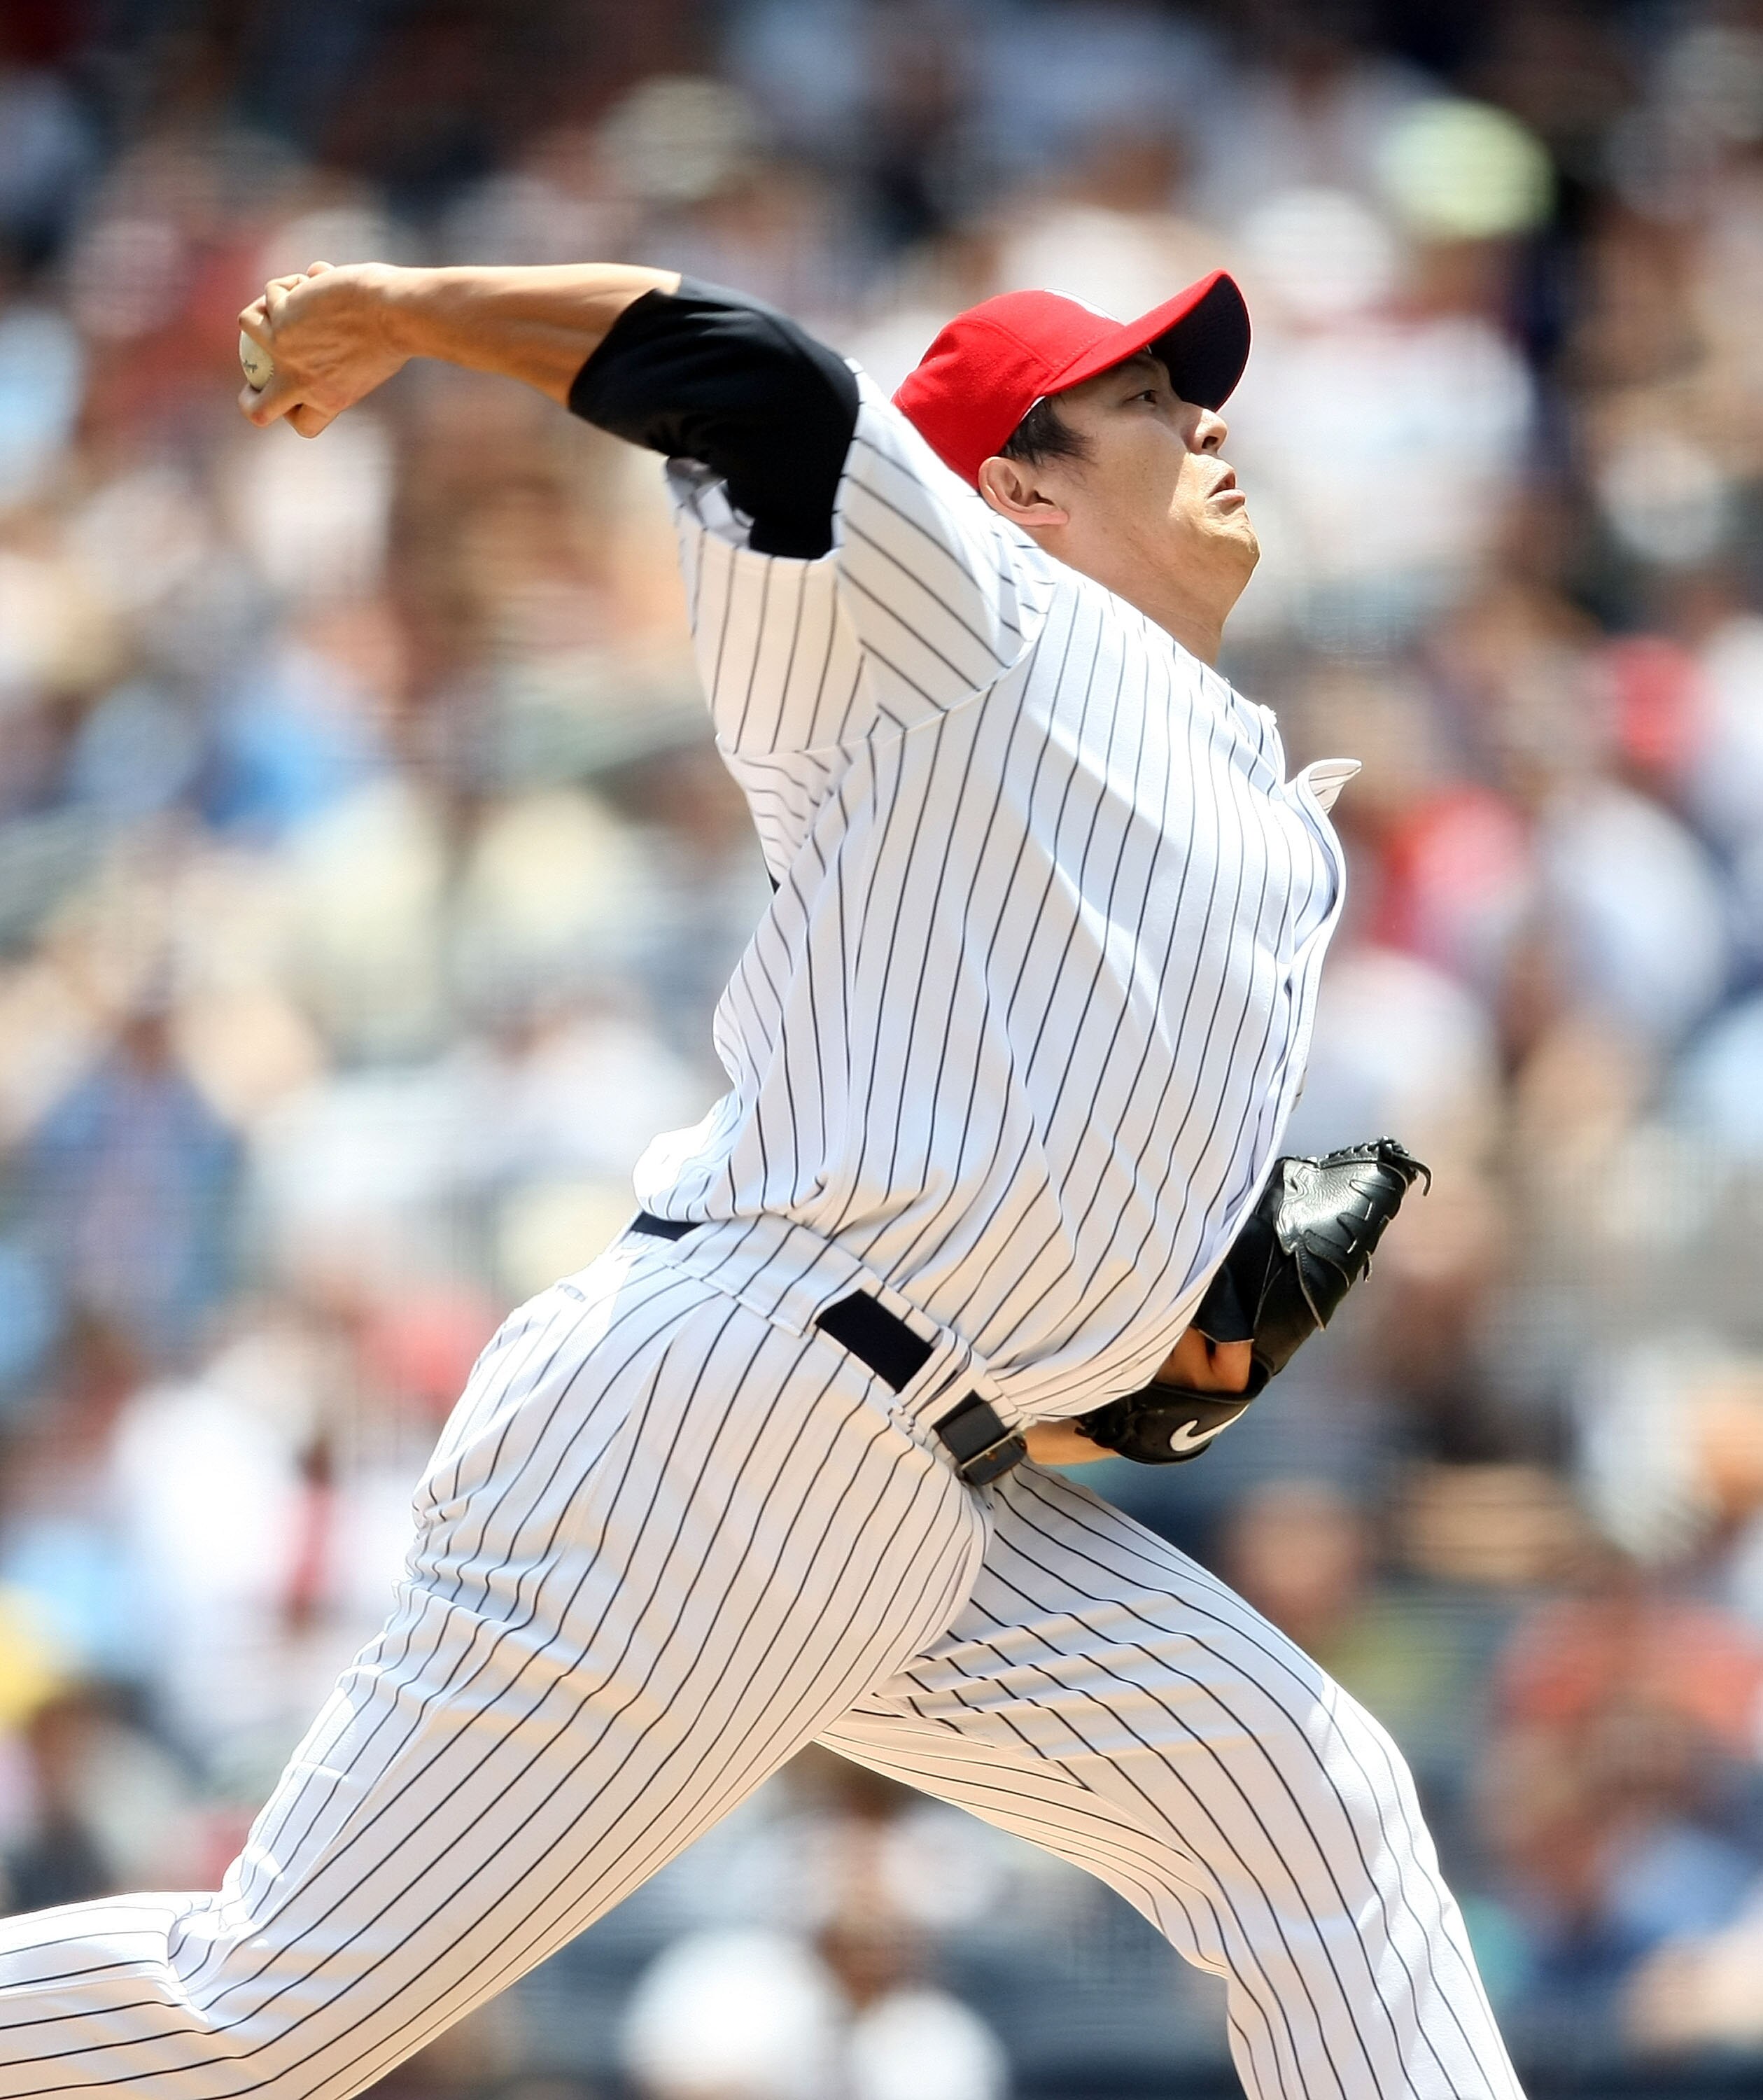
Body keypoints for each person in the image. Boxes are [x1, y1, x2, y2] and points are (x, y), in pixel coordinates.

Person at [0, 259, 1524, 2100]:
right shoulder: (969, 616)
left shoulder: (1247, 809)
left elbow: (1119, 1356)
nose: (1208, 418)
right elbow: (759, 383)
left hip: (927, 1486)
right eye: (1142, 399)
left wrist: (1189, 1327)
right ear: (1022, 484)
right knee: (264, 2019)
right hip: (740, 1430)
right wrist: (404, 306)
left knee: (1316, 1822)